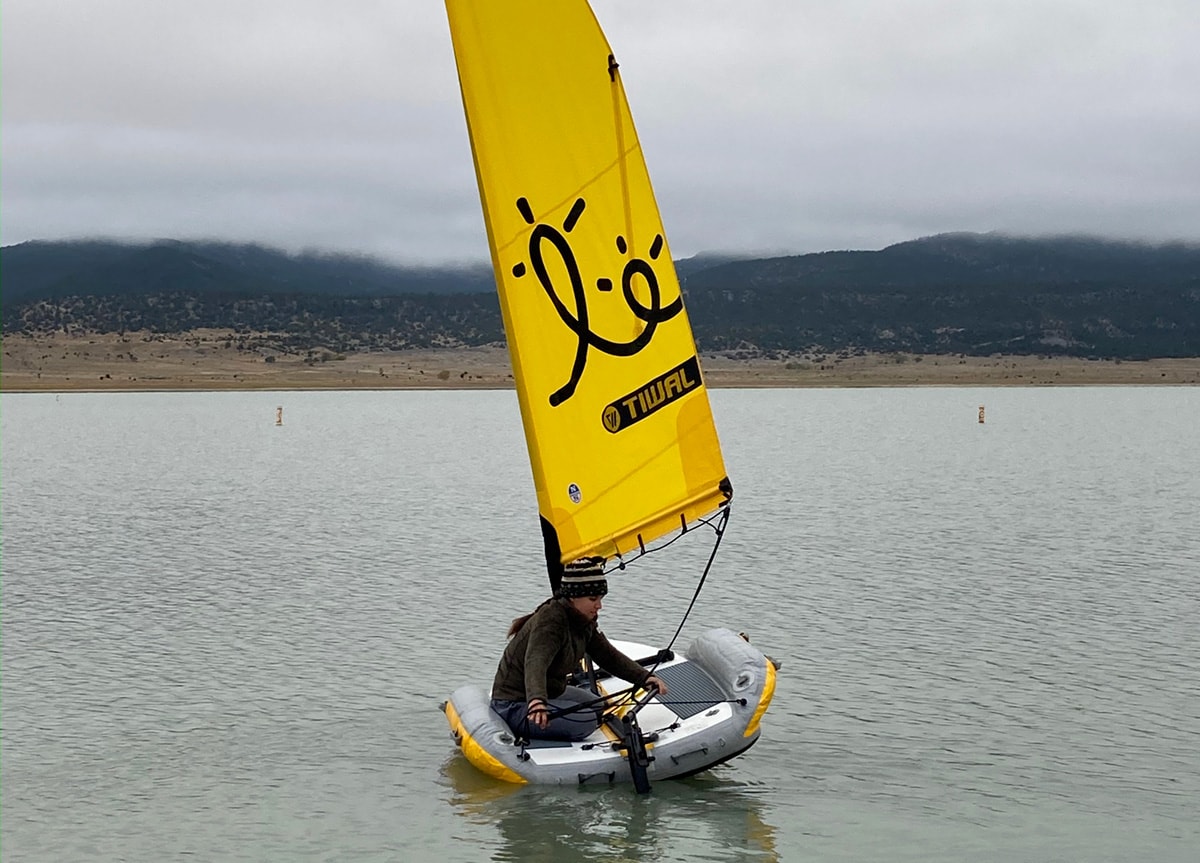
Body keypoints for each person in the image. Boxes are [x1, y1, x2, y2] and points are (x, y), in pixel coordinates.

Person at [490, 556, 669, 741]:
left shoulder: (583, 621)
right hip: (517, 702)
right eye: (593, 599)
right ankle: (529, 721)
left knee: (598, 707)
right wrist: (536, 700)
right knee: (587, 721)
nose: (599, 606)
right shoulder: (551, 620)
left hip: (551, 692)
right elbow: (535, 663)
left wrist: (644, 678)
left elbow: (608, 656)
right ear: (573, 597)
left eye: (600, 599)